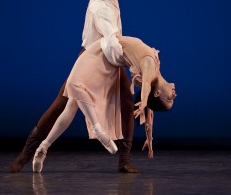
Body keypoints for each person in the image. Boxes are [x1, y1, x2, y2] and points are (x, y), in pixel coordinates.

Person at [9, 0, 138, 173]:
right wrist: (131, 63)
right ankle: (26, 153)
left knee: (126, 99)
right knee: (62, 104)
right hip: (95, 57)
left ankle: (124, 159)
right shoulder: (100, 8)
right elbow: (112, 41)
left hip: (112, 57)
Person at [32, 36, 176, 173]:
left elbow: (146, 90)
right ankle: (45, 146)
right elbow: (149, 107)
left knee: (73, 90)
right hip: (104, 56)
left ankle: (46, 146)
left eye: (169, 99)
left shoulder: (149, 70)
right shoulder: (152, 75)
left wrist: (144, 102)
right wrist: (149, 140)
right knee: (72, 99)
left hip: (101, 53)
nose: (174, 95)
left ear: (157, 93)